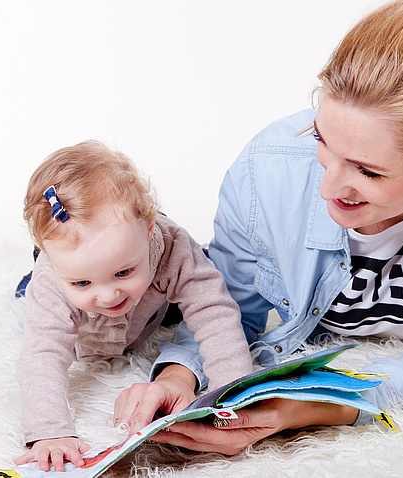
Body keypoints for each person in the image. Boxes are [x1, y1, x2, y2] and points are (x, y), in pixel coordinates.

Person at [113, 0, 403, 455]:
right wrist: (178, 375)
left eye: (368, 171)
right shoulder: (266, 173)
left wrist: (321, 406)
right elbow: (226, 304)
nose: (328, 188)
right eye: (322, 141)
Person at [13, 140, 254, 470]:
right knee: (32, 299)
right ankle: (32, 282)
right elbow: (42, 353)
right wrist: (50, 432)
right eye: (82, 282)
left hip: (150, 308)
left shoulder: (171, 244)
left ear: (149, 228)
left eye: (122, 272)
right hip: (86, 326)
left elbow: (214, 312)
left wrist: (235, 393)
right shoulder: (52, 279)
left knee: (205, 273)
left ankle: (155, 273)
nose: (109, 296)